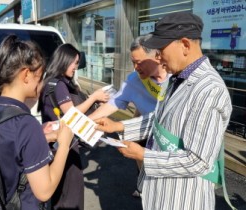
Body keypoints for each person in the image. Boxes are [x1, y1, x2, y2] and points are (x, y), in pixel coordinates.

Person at [95, 12, 232, 210]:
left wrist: (143, 155)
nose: (158, 57)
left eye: (161, 50)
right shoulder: (178, 78)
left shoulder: (209, 90)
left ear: (185, 45)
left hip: (182, 200)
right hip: (161, 193)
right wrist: (118, 125)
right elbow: (159, 120)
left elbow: (198, 161)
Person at [0, 35, 74, 209]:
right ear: (26, 74)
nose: (41, 83)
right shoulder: (26, 124)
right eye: (40, 76)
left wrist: (42, 136)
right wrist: (64, 144)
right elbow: (44, 191)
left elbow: (10, 148)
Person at [38, 43, 109, 210]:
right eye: (74, 63)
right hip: (65, 146)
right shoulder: (59, 84)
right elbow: (71, 114)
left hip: (52, 146)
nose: (76, 67)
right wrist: (93, 98)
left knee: (60, 193)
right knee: (71, 195)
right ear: (65, 60)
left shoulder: (49, 81)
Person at [88, 33, 170, 120]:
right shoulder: (134, 80)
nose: (135, 67)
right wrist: (83, 123)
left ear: (157, 56)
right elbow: (113, 104)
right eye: (133, 62)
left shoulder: (178, 78)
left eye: (139, 63)